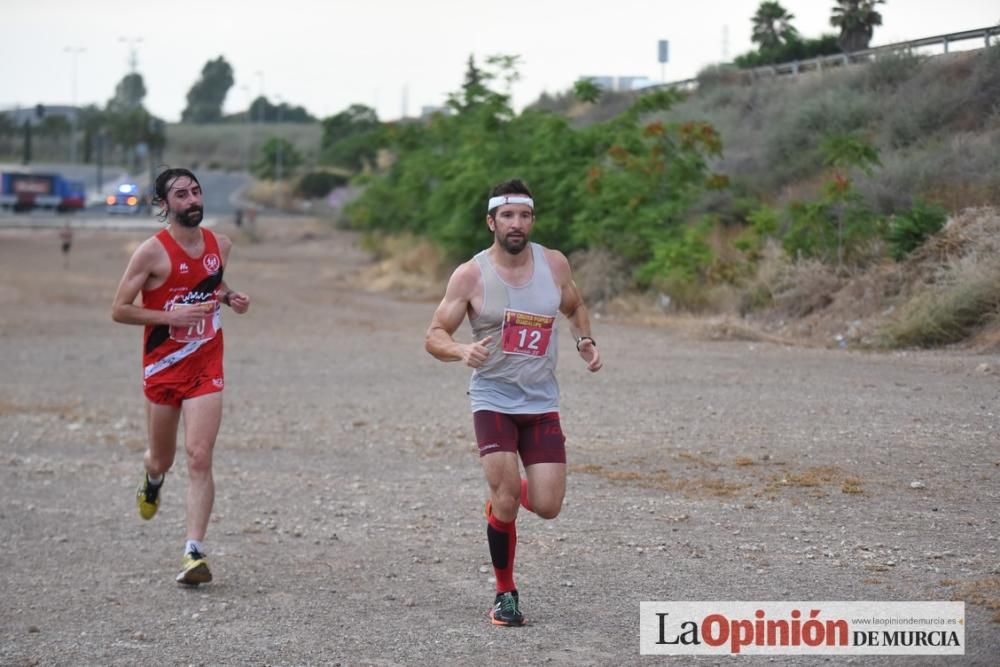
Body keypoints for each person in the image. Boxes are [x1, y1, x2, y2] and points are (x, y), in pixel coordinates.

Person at [425, 178, 602, 626]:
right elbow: (433, 336)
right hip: (493, 398)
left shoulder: (554, 264)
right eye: (507, 216)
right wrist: (462, 351)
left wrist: (584, 339)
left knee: (547, 505)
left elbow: (575, 306)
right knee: (505, 499)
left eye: (524, 215)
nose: (516, 224)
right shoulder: (471, 274)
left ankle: (506, 493)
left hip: (541, 400)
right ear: (491, 222)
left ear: (532, 220)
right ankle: (505, 593)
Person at [110, 167, 250, 586]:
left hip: (206, 363)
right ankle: (152, 481)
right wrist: (170, 315)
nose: (192, 201)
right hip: (163, 368)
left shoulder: (220, 245)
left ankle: (194, 552)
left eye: (195, 192)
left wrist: (228, 295)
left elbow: (210, 282)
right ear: (163, 205)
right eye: (181, 195)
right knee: (163, 458)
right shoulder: (151, 253)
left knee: (199, 455)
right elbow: (119, 308)